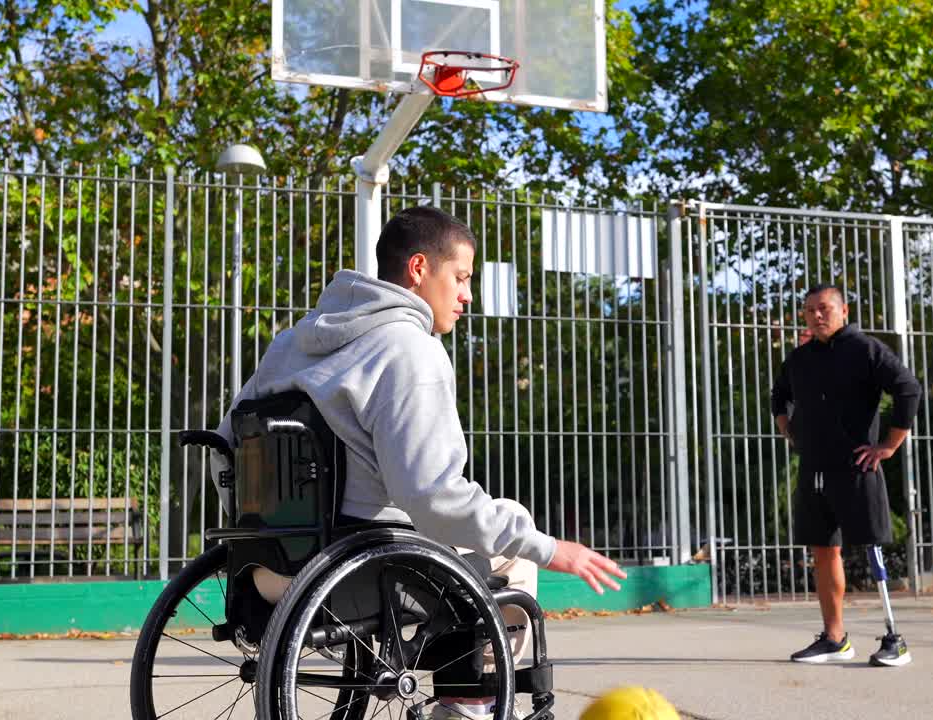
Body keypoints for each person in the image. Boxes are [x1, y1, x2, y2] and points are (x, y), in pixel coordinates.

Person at [213, 205, 625, 719]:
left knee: (464, 535)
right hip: (359, 575)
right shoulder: (411, 350)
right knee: (509, 545)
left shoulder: (292, 343)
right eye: (461, 277)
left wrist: (261, 530)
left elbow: (225, 447)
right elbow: (432, 497)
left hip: (264, 569)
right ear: (418, 269)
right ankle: (469, 707)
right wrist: (547, 546)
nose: (467, 295)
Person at [770, 284, 921, 666]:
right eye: (809, 311)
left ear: (843, 310)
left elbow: (908, 389)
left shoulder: (865, 349)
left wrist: (888, 445)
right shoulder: (800, 358)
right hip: (814, 470)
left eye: (824, 308)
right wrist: (789, 430)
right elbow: (779, 395)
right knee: (823, 550)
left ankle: (894, 639)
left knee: (870, 545)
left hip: (856, 467)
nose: (816, 316)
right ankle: (834, 639)